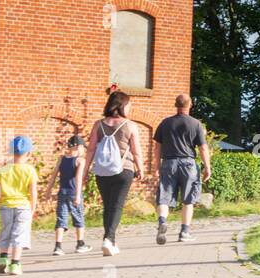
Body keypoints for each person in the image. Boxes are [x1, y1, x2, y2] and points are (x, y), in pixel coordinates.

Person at [81, 89, 145, 256]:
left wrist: (85, 171)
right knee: (117, 206)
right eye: (129, 105)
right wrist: (140, 168)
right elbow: (136, 151)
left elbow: (91, 150)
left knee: (108, 206)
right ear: (123, 105)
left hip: (102, 170)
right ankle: (109, 240)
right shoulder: (130, 125)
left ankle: (110, 241)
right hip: (124, 170)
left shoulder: (98, 124)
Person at [152, 94, 212, 244]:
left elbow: (157, 146)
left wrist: (156, 166)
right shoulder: (196, 124)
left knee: (164, 196)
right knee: (188, 199)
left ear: (175, 105)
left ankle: (162, 222)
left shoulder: (165, 123)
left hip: (168, 163)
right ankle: (184, 232)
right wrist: (207, 167)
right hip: (188, 164)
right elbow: (203, 148)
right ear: (190, 104)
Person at [0, 135, 38, 276]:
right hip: (23, 206)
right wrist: (33, 208)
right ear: (29, 153)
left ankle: (3, 259)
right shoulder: (29, 170)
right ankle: (15, 264)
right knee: (19, 235)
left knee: (6, 232)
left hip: (5, 206)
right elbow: (32, 191)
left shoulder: (4, 169)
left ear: (11, 152)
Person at [44, 134, 90, 255]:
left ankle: (58, 247)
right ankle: (80, 244)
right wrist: (78, 195)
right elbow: (79, 178)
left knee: (61, 219)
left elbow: (54, 175)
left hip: (62, 193)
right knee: (78, 217)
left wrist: (48, 190)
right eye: (83, 148)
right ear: (79, 147)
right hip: (74, 192)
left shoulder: (62, 159)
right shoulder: (80, 160)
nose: (84, 150)